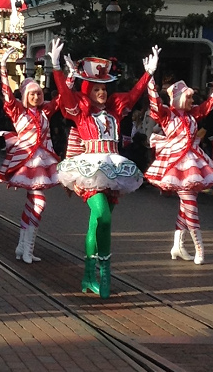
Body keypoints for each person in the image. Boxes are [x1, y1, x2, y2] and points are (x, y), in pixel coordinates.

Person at [48, 37, 152, 299]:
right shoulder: (81, 111)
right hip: (91, 170)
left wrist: (148, 74)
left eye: (105, 88)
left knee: (98, 224)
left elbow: (134, 95)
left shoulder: (115, 110)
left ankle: (88, 275)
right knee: (102, 216)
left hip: (114, 169)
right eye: (96, 89)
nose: (102, 92)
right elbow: (65, 95)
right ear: (88, 90)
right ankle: (104, 274)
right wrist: (56, 68)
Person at [145, 56, 213, 265]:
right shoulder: (167, 115)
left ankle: (178, 245)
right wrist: (150, 77)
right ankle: (199, 248)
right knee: (190, 204)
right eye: (190, 98)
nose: (193, 101)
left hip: (193, 162)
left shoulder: (193, 116)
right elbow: (155, 102)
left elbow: (210, 104)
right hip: (176, 164)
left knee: (187, 204)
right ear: (180, 98)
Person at [0, 57, 61, 265]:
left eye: (39, 93)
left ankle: (23, 247)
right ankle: (27, 248)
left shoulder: (45, 112)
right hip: (26, 162)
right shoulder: (18, 111)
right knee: (39, 203)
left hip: (42, 161)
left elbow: (62, 99)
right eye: (32, 93)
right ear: (25, 96)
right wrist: (3, 68)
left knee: (32, 203)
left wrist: (65, 74)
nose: (36, 96)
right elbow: (6, 94)